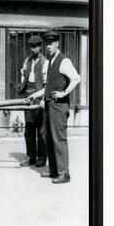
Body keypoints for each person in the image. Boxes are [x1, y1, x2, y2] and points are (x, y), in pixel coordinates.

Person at [26, 31, 81, 184]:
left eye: (51, 43)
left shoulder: (64, 61)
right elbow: (48, 87)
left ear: (57, 44)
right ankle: (54, 170)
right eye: (47, 44)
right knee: (49, 137)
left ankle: (64, 174)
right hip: (50, 105)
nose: (48, 47)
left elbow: (76, 78)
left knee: (59, 139)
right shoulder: (50, 62)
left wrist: (64, 93)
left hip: (59, 106)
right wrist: (34, 95)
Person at [19, 35, 48, 167]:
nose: (33, 49)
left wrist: (41, 98)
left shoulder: (45, 62)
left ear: (40, 46)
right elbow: (23, 74)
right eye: (31, 46)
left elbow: (46, 84)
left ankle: (42, 157)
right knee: (29, 128)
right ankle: (31, 157)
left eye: (35, 46)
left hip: (39, 94)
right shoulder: (27, 60)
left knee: (41, 128)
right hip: (28, 94)